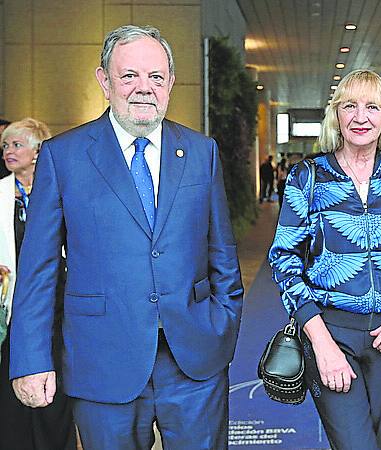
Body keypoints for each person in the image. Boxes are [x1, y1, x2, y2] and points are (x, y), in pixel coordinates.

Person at [9, 25, 243, 449]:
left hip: (194, 362)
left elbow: (222, 256)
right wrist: (30, 360)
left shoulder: (201, 152)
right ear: (104, 81)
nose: (144, 88)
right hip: (102, 363)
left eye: (156, 76)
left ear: (171, 83)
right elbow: (37, 270)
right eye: (129, 75)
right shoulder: (63, 157)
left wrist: (221, 328)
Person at [269, 69, 381, 450]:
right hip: (330, 331)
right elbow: (284, 259)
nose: (361, 117)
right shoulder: (309, 177)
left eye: (373, 107)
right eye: (350, 106)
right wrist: (320, 342)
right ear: (336, 115)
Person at [0, 119, 76, 450]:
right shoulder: (2, 194)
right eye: (5, 146)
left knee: (56, 384)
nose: (8, 151)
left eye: (17, 144)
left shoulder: (61, 188)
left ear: (37, 152)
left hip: (59, 301)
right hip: (12, 302)